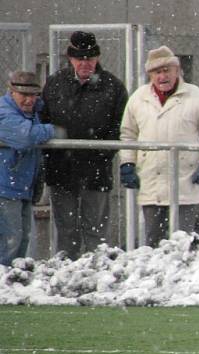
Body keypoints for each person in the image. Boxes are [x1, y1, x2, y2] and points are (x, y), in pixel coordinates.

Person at [119, 45, 199, 247]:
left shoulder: (197, 97)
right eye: (157, 72)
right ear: (150, 75)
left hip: (184, 181)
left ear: (177, 70)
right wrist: (127, 163)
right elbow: (128, 134)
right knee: (152, 242)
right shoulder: (138, 98)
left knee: (181, 242)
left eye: (167, 70)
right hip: (151, 181)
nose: (162, 76)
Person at [41, 31, 128, 260]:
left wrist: (102, 154)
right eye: (80, 58)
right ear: (71, 59)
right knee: (66, 229)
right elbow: (44, 119)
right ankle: (66, 273)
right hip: (61, 168)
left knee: (96, 230)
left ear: (97, 58)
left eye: (90, 58)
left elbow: (120, 126)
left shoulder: (112, 86)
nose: (85, 63)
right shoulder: (55, 83)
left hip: (96, 168)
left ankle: (98, 274)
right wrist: (53, 155)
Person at [0, 71, 58, 266]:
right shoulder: (4, 112)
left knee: (22, 240)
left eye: (33, 95)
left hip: (21, 186)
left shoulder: (31, 112)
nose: (29, 100)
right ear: (12, 92)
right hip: (5, 187)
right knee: (10, 241)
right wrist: (51, 130)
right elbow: (24, 137)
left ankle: (13, 281)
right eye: (24, 95)